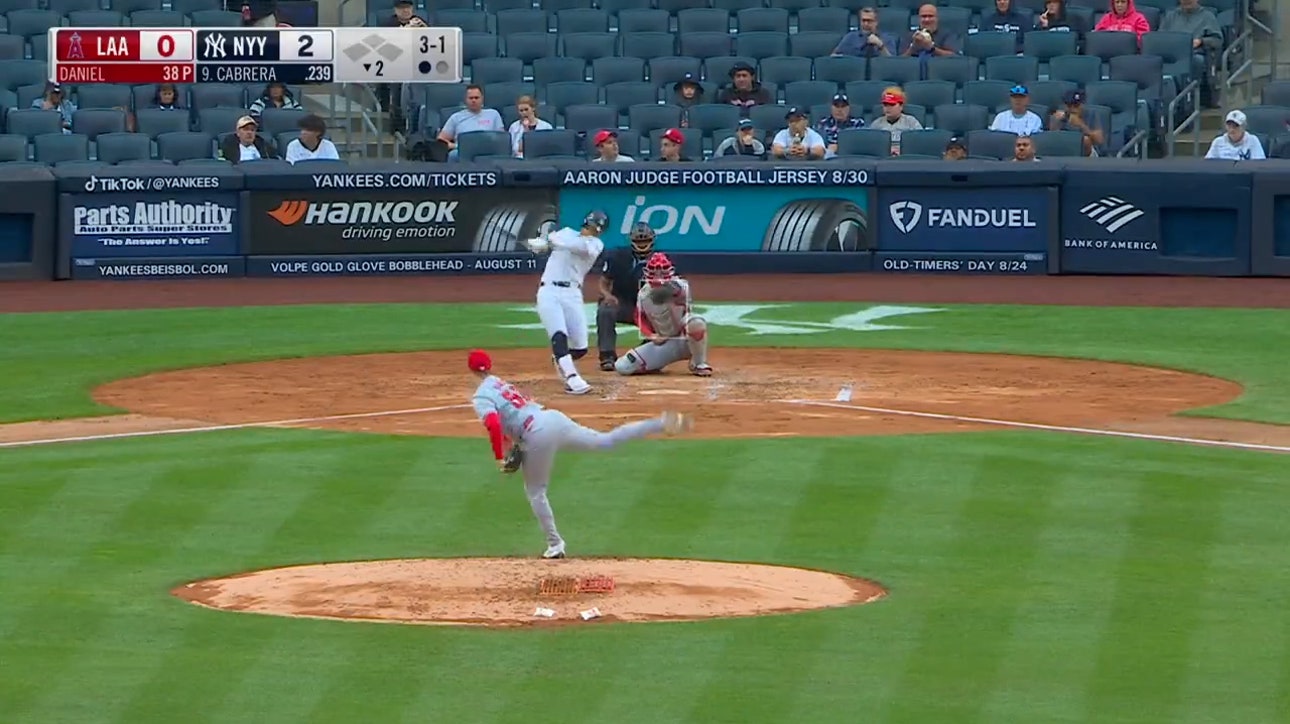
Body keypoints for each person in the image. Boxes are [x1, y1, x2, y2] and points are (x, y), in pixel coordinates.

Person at [467, 349, 691, 559]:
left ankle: (555, 545)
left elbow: (494, 424)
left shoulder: (481, 397)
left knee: (535, 491)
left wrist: (498, 455)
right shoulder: (497, 382)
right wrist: (510, 442)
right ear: (488, 366)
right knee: (605, 441)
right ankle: (659, 423)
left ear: (471, 370)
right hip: (553, 418)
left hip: (535, 433)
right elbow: (506, 418)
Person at [518, 210, 610, 395]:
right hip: (549, 291)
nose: (591, 231)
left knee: (580, 347)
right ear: (586, 223)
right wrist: (540, 245)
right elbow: (545, 246)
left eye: (595, 229)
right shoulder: (566, 233)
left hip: (573, 294)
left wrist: (552, 240)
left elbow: (579, 247)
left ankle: (560, 358)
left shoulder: (595, 244)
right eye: (590, 227)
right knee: (558, 334)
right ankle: (572, 378)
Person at [613, 253, 714, 377]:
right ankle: (656, 363)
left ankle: (699, 363)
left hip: (685, 340)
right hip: (666, 342)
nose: (658, 276)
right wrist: (652, 335)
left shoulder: (681, 285)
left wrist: (665, 290)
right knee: (623, 366)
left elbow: (675, 293)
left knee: (697, 323)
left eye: (661, 271)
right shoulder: (643, 293)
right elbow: (638, 317)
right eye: (655, 272)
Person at [596, 222, 656, 370]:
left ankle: (648, 354)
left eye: (645, 241)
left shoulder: (661, 260)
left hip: (648, 307)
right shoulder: (618, 256)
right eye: (638, 241)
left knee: (667, 315)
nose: (642, 244)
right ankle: (607, 355)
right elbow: (603, 282)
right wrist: (607, 295)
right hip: (623, 304)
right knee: (605, 308)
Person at [1160, 0, 1223, 107]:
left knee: (1196, 61)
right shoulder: (1171, 16)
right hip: (1172, 55)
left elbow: (1218, 41)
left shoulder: (1207, 16)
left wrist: (1201, 41)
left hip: (1194, 54)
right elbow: (1159, 38)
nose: (1187, 1)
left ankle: (1188, 102)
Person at [437, 85, 504, 161]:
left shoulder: (493, 114)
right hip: (463, 152)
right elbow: (441, 140)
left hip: (487, 151)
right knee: (453, 155)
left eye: (476, 98)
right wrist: (456, 146)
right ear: (465, 100)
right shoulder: (456, 117)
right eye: (471, 98)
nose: (473, 100)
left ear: (482, 99)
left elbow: (501, 138)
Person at [1049, 88, 1104, 156]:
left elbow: (1099, 140)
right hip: (1066, 149)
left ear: (1083, 104)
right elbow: (1052, 139)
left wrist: (1081, 125)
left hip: (1088, 153)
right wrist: (1056, 122)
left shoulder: (1091, 115)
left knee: (1085, 140)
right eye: (1069, 105)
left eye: (1076, 105)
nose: (1072, 109)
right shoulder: (1061, 116)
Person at [869, 87, 924, 155]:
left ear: (901, 106)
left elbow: (921, 143)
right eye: (885, 105)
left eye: (892, 104)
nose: (888, 108)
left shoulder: (911, 122)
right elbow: (871, 147)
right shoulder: (876, 124)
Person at [833, 7, 898, 58]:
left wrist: (881, 46)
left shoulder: (888, 39)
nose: (866, 24)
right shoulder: (851, 37)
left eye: (869, 21)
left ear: (876, 22)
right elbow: (834, 56)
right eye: (863, 21)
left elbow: (891, 63)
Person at [817, 93, 865, 158]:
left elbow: (861, 145)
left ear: (849, 108)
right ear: (831, 107)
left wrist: (839, 147)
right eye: (836, 106)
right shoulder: (823, 123)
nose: (839, 110)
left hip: (850, 158)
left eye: (843, 106)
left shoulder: (858, 124)